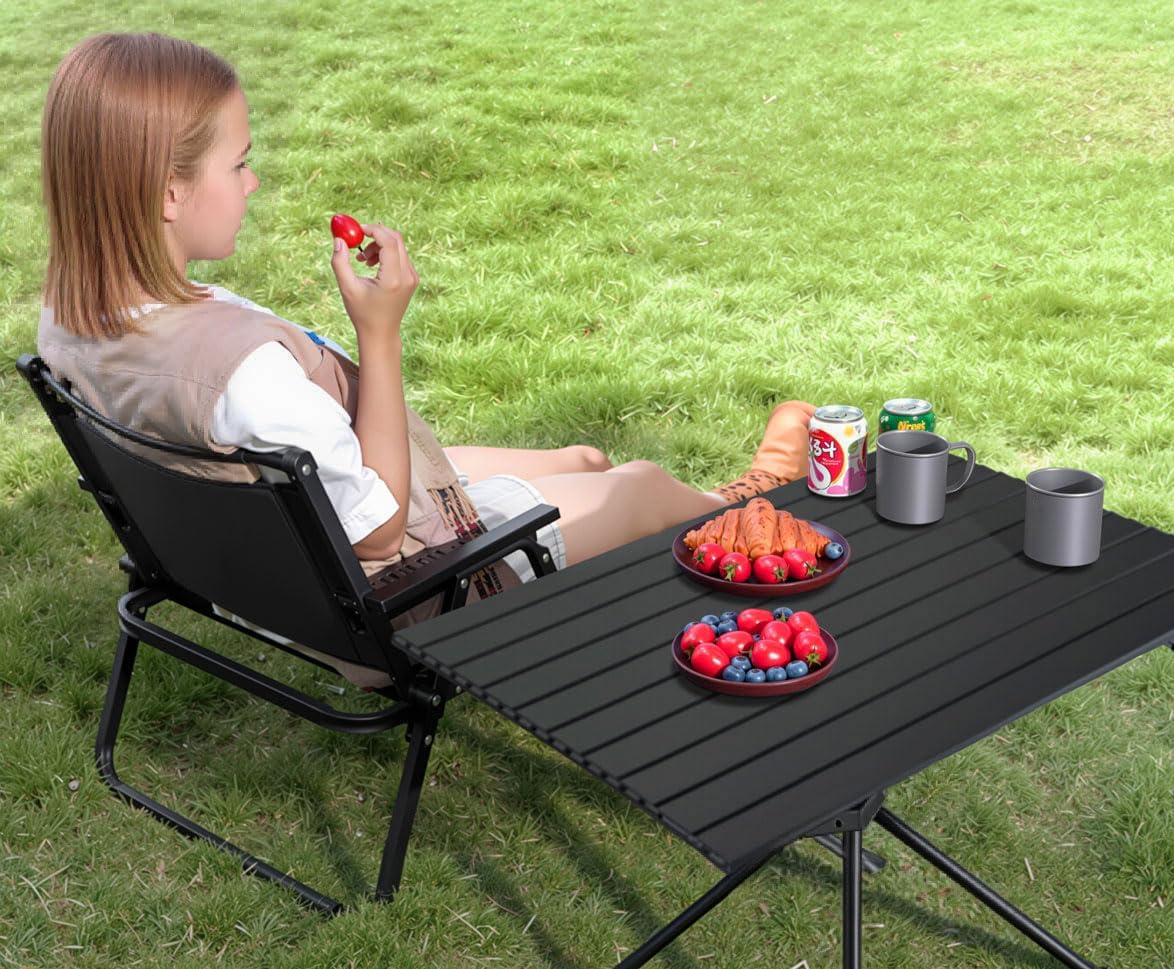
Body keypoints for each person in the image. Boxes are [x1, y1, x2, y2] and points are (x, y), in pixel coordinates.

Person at [37, 33, 814, 644]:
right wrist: (378, 335)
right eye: (239, 164)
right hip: (408, 596)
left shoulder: (71, 319)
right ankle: (749, 505)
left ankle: (707, 507)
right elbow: (377, 534)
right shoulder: (244, 373)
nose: (253, 182)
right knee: (637, 486)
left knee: (583, 459)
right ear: (170, 192)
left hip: (275, 570)